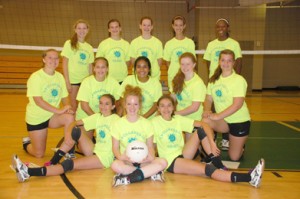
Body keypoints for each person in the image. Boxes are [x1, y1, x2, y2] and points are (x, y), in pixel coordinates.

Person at [152, 95, 264, 188]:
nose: (166, 109)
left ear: (173, 107)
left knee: (201, 131)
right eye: (162, 106)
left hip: (183, 154)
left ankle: (217, 163)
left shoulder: (177, 119)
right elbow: (151, 147)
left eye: (169, 105)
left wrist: (212, 142)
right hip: (172, 161)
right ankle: (250, 178)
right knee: (208, 169)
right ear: (158, 108)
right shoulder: (154, 123)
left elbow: (204, 124)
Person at [12, 94, 119, 182]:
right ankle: (53, 161)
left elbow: (122, 139)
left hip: (103, 158)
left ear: (113, 107)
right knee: (76, 131)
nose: (103, 106)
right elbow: (74, 123)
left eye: (107, 104)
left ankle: (28, 172)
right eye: (101, 103)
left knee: (68, 164)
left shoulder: (116, 120)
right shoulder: (98, 117)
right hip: (94, 150)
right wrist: (68, 133)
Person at [110, 85, 167, 187]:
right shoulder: (117, 124)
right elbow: (115, 148)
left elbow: (150, 146)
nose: (132, 107)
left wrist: (151, 157)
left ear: (140, 105)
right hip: (127, 162)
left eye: (135, 104)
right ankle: (149, 173)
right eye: (129, 104)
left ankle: (127, 178)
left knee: (163, 162)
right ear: (124, 105)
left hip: (144, 161)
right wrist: (120, 156)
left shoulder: (147, 123)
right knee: (115, 165)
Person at [21, 49, 74, 158]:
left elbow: (65, 97)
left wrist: (68, 107)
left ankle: (67, 150)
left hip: (52, 116)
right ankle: (26, 144)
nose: (53, 60)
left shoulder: (59, 76)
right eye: (50, 57)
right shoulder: (36, 77)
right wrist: (59, 110)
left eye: (56, 58)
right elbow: (38, 101)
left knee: (69, 117)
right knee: (39, 154)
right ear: (44, 59)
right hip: (37, 118)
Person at [202, 49, 250, 161]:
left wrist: (217, 116)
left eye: (229, 61)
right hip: (224, 122)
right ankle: (211, 153)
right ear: (219, 61)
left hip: (239, 121)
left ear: (233, 63)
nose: (226, 63)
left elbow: (237, 104)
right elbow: (208, 99)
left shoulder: (238, 80)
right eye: (223, 60)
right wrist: (207, 110)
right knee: (205, 121)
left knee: (234, 157)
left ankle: (240, 145)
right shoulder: (213, 80)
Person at [203, 18, 243, 150]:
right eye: (218, 27)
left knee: (227, 109)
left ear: (227, 27)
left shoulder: (234, 44)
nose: (221, 29)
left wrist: (233, 79)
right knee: (212, 111)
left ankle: (227, 139)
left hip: (228, 81)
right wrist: (213, 77)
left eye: (223, 26)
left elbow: (238, 62)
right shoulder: (211, 44)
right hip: (215, 82)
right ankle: (212, 139)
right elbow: (209, 63)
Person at [76, 57, 121, 139]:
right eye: (98, 67)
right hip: (87, 116)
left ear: (107, 69)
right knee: (86, 148)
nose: (100, 70)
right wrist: (99, 120)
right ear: (94, 69)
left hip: (105, 117)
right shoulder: (87, 82)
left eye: (103, 67)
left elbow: (119, 102)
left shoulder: (113, 82)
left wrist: (113, 119)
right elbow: (84, 106)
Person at [171, 52, 206, 141]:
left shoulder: (198, 83)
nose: (185, 67)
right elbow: (172, 98)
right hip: (180, 118)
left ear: (194, 65)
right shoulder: (178, 78)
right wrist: (165, 108)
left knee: (191, 151)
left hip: (193, 120)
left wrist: (175, 114)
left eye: (188, 64)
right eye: (182, 64)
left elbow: (194, 108)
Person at [61, 19, 94, 112]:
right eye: (79, 28)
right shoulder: (69, 43)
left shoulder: (89, 47)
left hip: (84, 81)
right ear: (75, 30)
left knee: (84, 106)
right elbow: (64, 62)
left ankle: (80, 125)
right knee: (73, 106)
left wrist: (91, 82)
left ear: (87, 30)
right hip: (73, 80)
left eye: (84, 28)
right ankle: (72, 126)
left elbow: (90, 66)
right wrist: (67, 81)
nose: (81, 30)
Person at [163, 15, 196, 87]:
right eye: (176, 25)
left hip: (186, 75)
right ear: (173, 26)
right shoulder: (169, 44)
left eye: (181, 25)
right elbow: (167, 62)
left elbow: (192, 60)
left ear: (184, 26)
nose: (178, 27)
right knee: (173, 97)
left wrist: (185, 72)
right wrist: (174, 71)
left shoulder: (189, 42)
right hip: (173, 75)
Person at [96, 19, 130, 84]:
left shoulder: (126, 44)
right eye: (112, 27)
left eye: (116, 27)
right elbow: (98, 61)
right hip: (107, 78)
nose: (114, 29)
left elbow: (127, 62)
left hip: (122, 78)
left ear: (120, 28)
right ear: (109, 30)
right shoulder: (103, 43)